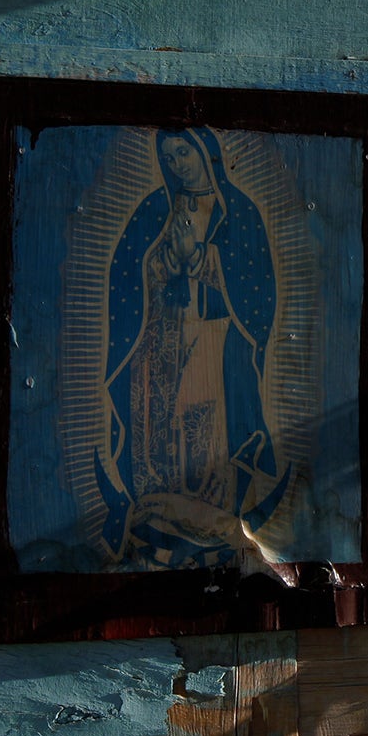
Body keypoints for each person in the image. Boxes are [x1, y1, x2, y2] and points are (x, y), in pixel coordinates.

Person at [94, 128, 286, 568]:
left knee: (205, 438)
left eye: (185, 151)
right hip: (157, 344)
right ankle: (156, 535)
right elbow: (127, 275)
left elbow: (256, 292)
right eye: (169, 155)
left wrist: (199, 257)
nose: (178, 162)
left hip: (214, 343)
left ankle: (211, 542)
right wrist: (166, 260)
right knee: (158, 436)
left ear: (207, 153)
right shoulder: (155, 210)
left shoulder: (237, 211)